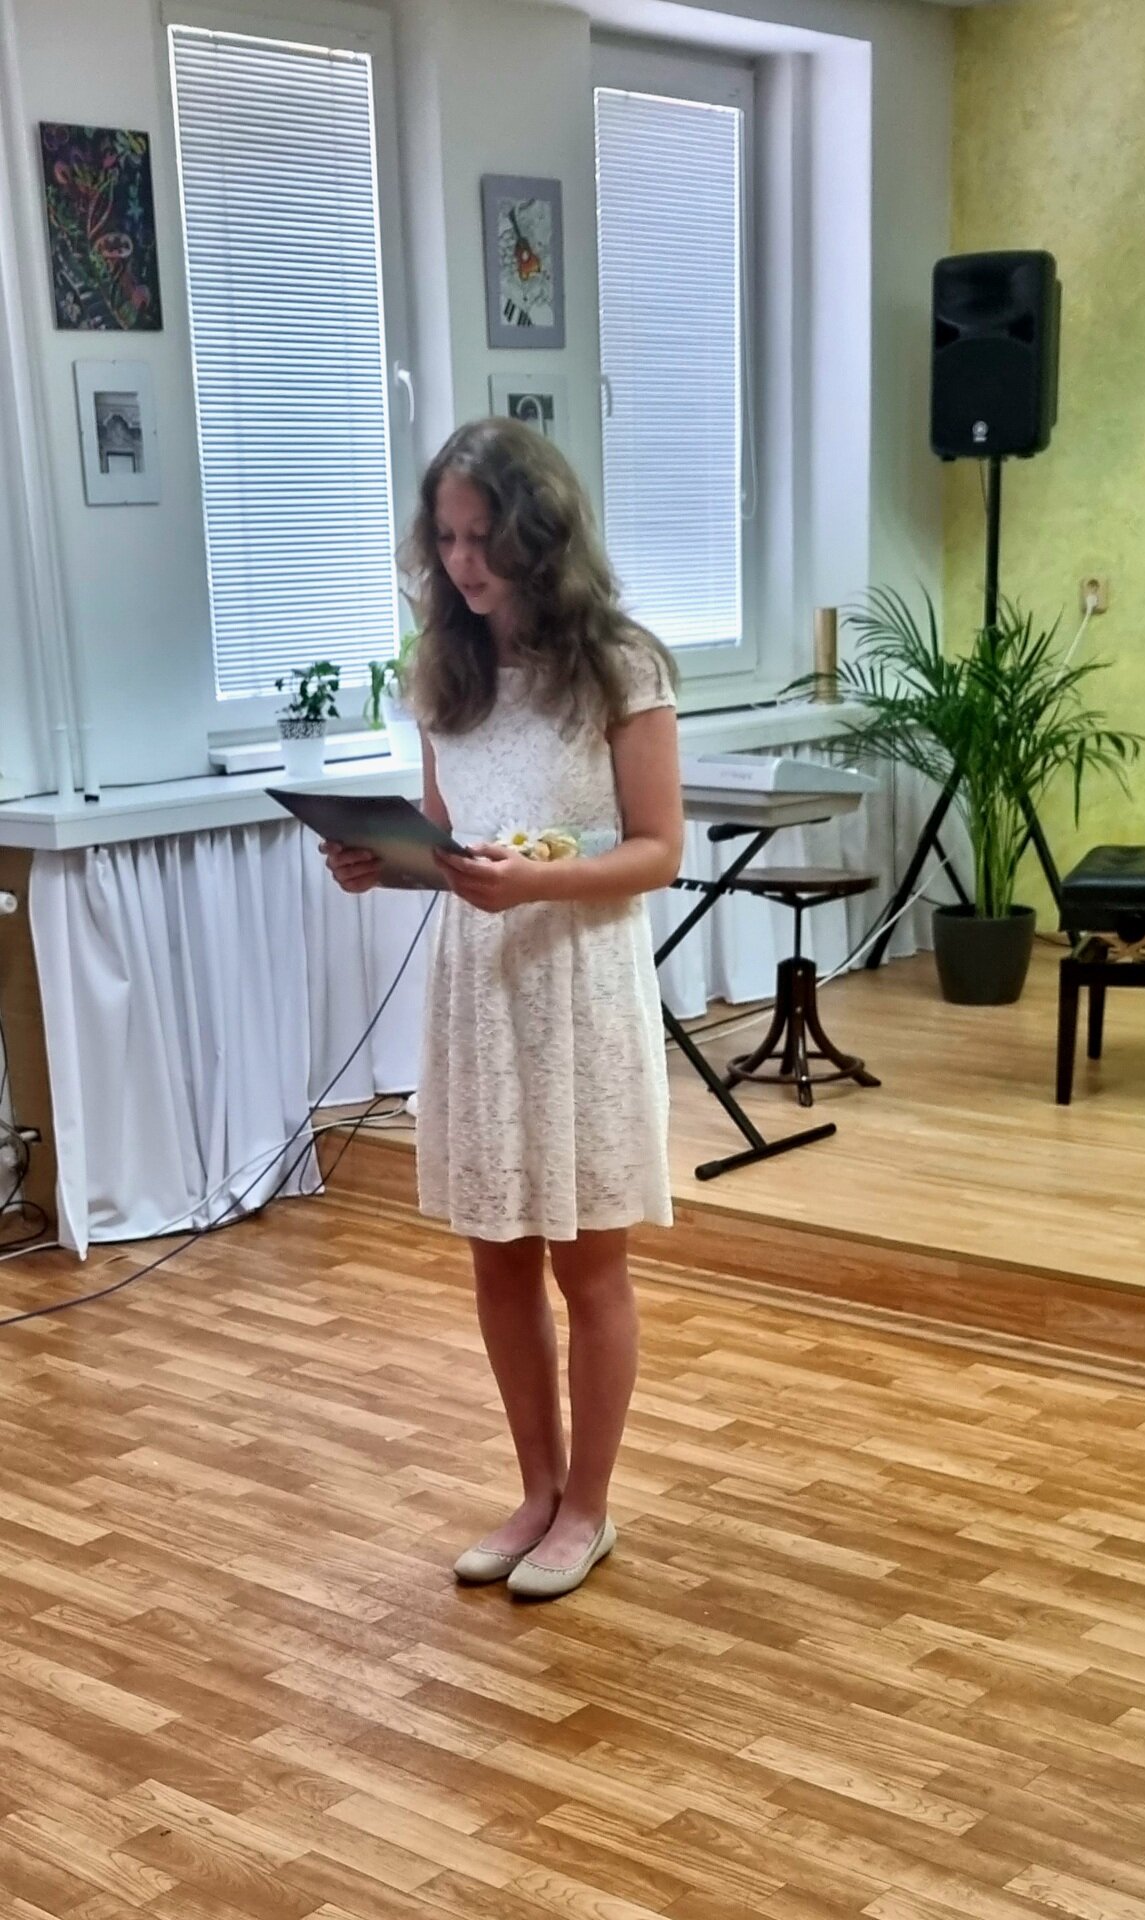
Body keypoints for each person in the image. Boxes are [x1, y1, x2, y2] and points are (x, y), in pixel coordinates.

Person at [323, 418, 682, 1600]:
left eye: (483, 537)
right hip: (479, 987)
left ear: (541, 534)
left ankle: (588, 1508)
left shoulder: (621, 666)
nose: (463, 562)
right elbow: (451, 838)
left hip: (579, 983)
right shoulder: (443, 671)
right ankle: (535, 1489)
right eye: (445, 538)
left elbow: (657, 851)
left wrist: (537, 885)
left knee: (589, 1266)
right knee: (497, 1263)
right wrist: (384, 863)